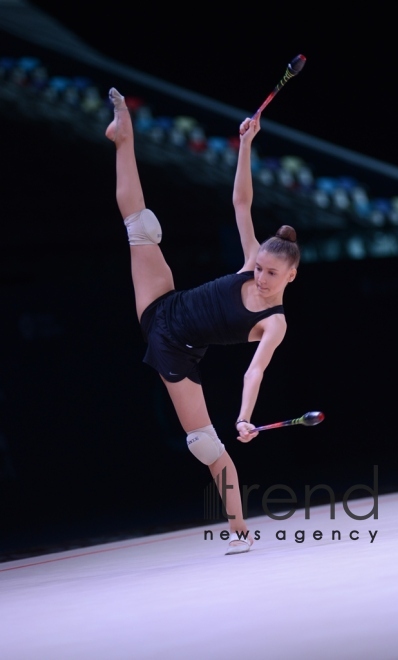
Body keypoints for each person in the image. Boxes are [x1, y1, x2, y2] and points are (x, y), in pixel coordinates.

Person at [105, 88, 300, 555]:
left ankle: (237, 526)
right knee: (141, 225)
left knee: (205, 445)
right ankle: (122, 136)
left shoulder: (274, 321)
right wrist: (247, 144)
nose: (261, 276)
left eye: (272, 274)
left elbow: (254, 370)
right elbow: (241, 203)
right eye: (258, 268)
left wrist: (245, 417)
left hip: (177, 351)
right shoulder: (254, 258)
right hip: (163, 306)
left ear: (292, 275)